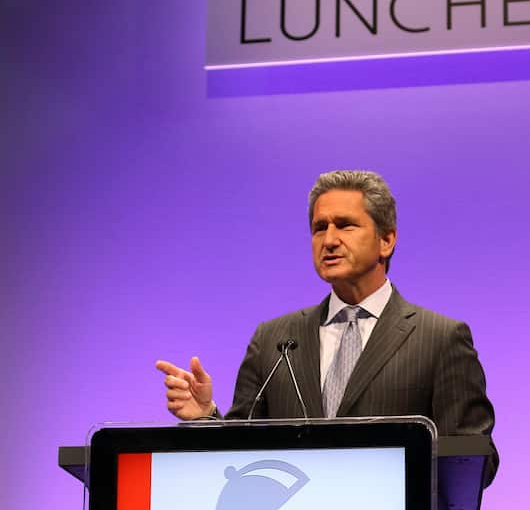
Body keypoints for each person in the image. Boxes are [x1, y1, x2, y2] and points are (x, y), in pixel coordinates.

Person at [156, 169, 498, 481]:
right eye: (320, 228)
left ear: (386, 240)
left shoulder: (439, 339)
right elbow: (241, 453)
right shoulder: (273, 339)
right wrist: (206, 415)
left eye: (346, 225)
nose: (329, 240)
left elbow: (473, 462)